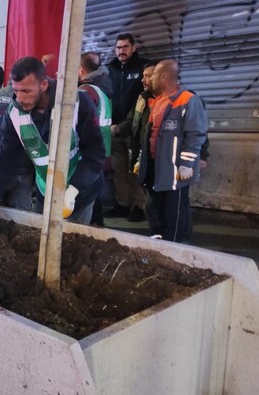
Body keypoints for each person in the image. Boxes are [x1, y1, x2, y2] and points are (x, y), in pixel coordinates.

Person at [0, 57, 104, 221]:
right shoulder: (14, 114)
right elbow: (7, 158)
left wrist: (73, 191)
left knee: (72, 240)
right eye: (16, 91)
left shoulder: (77, 103)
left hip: (80, 191)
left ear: (43, 85)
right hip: (46, 191)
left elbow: (95, 152)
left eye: (26, 91)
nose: (20, 98)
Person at [134, 59, 207, 243]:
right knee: (153, 209)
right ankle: (157, 242)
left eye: (155, 75)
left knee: (173, 213)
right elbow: (149, 134)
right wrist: (141, 160)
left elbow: (196, 133)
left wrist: (187, 163)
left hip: (174, 171)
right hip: (155, 169)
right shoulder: (158, 101)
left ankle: (172, 248)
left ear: (164, 76)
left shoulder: (189, 100)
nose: (151, 80)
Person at [107, 33, 148, 221]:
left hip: (135, 130)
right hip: (115, 130)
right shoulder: (110, 69)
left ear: (134, 48)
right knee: (118, 169)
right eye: (118, 47)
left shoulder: (143, 68)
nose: (121, 51)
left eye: (125, 47)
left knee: (136, 170)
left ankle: (139, 207)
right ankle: (122, 204)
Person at [78, 52, 113, 226]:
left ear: (81, 69)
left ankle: (93, 232)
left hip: (89, 152)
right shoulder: (102, 90)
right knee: (95, 195)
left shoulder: (86, 91)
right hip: (104, 150)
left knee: (89, 199)